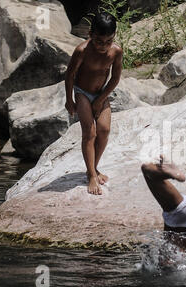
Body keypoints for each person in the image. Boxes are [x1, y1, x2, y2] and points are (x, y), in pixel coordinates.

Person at [65, 11, 123, 195]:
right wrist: (69, 99)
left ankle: (94, 167)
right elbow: (70, 76)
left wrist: (101, 99)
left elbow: (115, 78)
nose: (103, 46)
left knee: (104, 130)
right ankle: (91, 175)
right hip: (82, 93)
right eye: (99, 41)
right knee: (89, 133)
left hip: (101, 93)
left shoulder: (116, 51)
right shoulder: (82, 50)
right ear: (90, 34)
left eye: (108, 41)